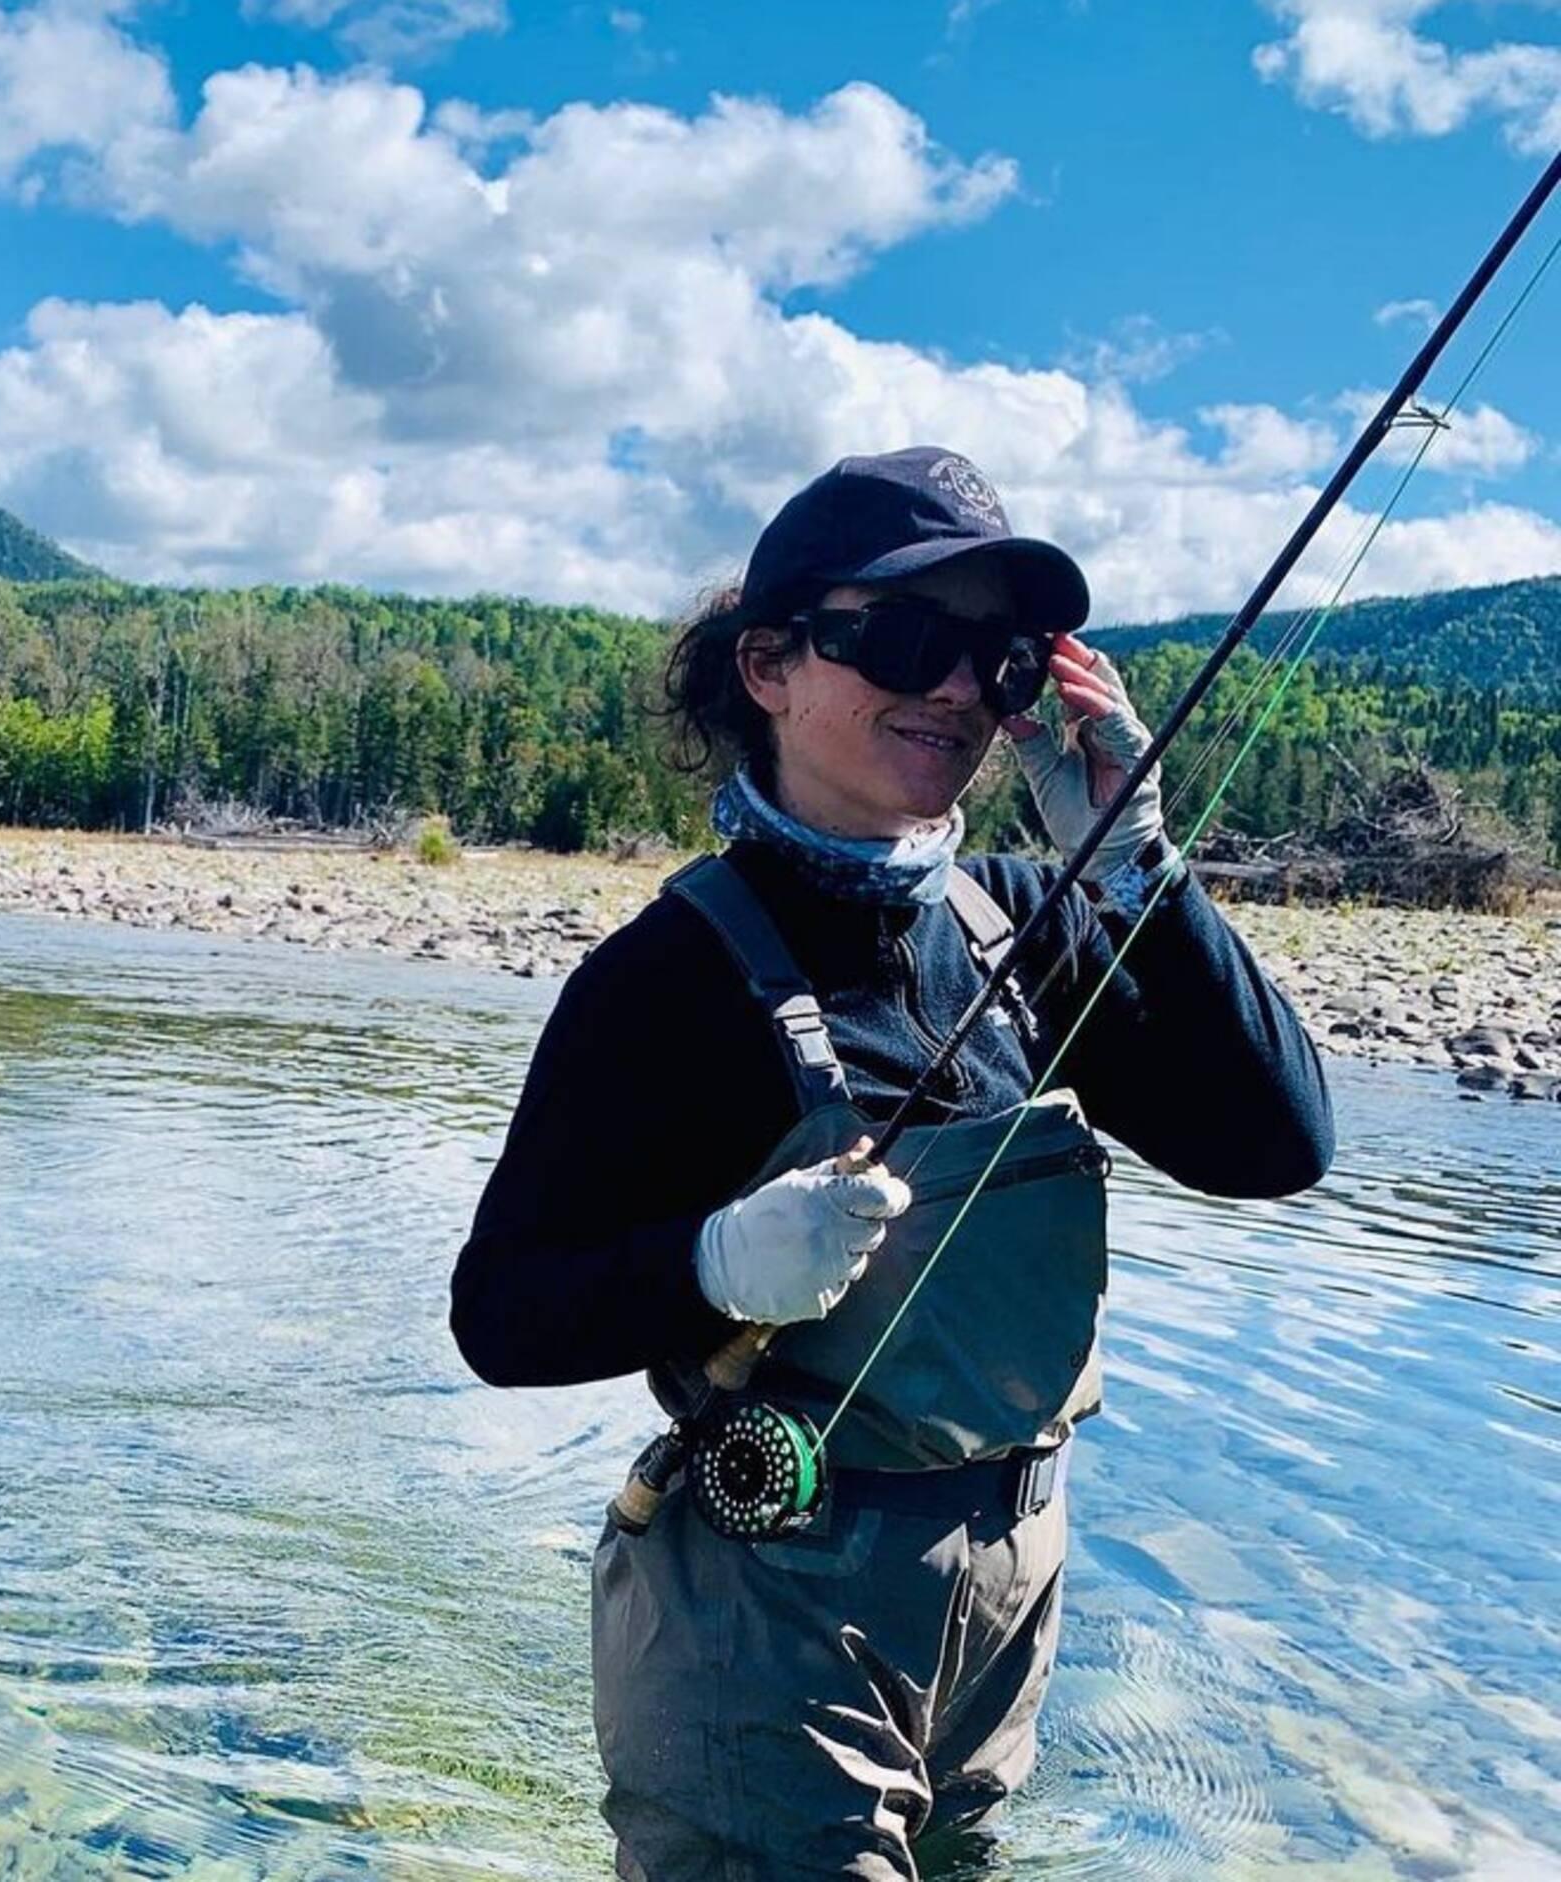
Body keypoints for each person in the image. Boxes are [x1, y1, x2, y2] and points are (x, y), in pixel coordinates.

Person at [448, 448, 1334, 1881]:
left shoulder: (1033, 921)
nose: (955, 692)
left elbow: (1279, 1144)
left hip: (1008, 1602)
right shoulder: (666, 977)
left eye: (996, 660)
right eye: (908, 639)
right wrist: (710, 1265)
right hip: (762, 1615)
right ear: (770, 664)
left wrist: (1137, 868)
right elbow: (499, 1312)